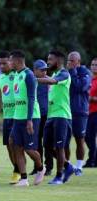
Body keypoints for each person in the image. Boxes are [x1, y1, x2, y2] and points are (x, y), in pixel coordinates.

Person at [7, 51, 45, 187]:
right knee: (16, 145)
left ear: (17, 61)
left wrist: (29, 120)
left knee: (29, 149)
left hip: (31, 117)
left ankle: (41, 168)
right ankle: (24, 179)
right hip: (18, 117)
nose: (8, 63)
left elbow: (31, 98)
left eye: (10, 61)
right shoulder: (16, 75)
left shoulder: (29, 75)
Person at [37, 50, 75, 185]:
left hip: (62, 116)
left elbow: (52, 81)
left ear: (58, 61)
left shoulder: (64, 74)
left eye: (50, 59)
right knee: (47, 145)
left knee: (59, 147)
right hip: (51, 116)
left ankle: (59, 176)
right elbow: (49, 79)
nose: (48, 62)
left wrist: (34, 79)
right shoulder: (55, 73)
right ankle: (67, 166)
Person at [0, 51, 21, 184]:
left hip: (18, 116)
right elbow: (0, 98)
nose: (2, 66)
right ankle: (17, 170)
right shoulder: (0, 77)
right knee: (9, 147)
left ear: (11, 62)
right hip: (7, 117)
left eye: (5, 63)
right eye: (0, 64)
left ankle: (21, 171)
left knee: (15, 145)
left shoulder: (18, 75)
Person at [66, 51, 91, 175]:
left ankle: (79, 167)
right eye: (68, 60)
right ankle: (68, 166)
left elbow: (79, 87)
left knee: (79, 140)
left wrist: (73, 71)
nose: (69, 63)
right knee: (65, 141)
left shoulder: (85, 73)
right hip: (66, 112)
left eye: (72, 61)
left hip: (80, 112)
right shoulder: (66, 73)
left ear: (78, 62)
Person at [33, 59, 53, 176]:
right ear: (35, 70)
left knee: (47, 143)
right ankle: (38, 167)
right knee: (36, 143)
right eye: (42, 70)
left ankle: (49, 167)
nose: (44, 72)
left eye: (45, 70)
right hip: (36, 115)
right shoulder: (32, 81)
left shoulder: (49, 80)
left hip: (47, 115)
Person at [85, 58, 97, 168]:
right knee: (87, 137)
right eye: (92, 64)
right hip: (87, 112)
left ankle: (92, 161)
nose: (94, 67)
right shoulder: (88, 79)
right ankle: (94, 158)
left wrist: (91, 98)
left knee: (91, 136)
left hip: (95, 112)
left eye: (96, 65)